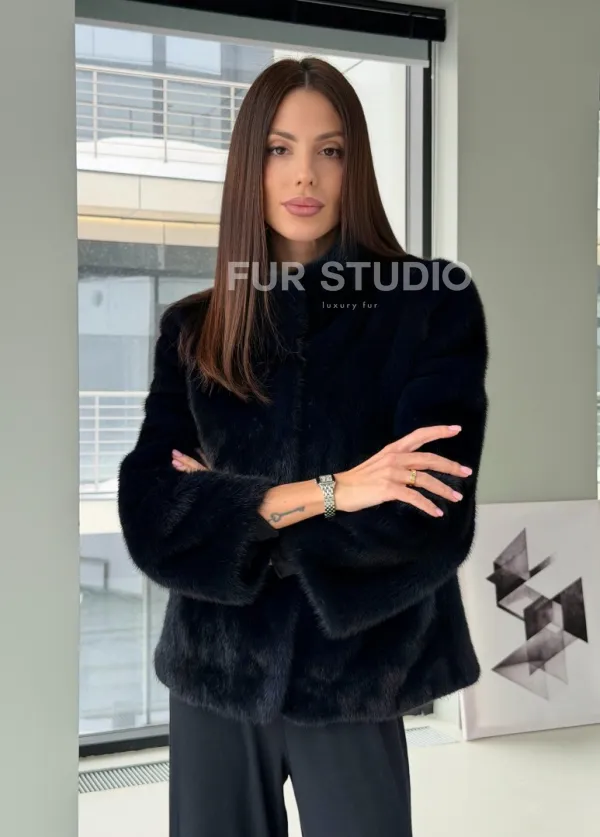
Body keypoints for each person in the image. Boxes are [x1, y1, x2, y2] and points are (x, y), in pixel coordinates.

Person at [118, 57, 488, 837]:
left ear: (356, 166)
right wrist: (338, 489)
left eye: (331, 150)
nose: (304, 175)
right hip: (213, 673)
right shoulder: (193, 329)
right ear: (249, 166)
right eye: (280, 149)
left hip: (355, 672)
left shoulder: (431, 304)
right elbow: (152, 516)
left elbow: (428, 513)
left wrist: (229, 515)